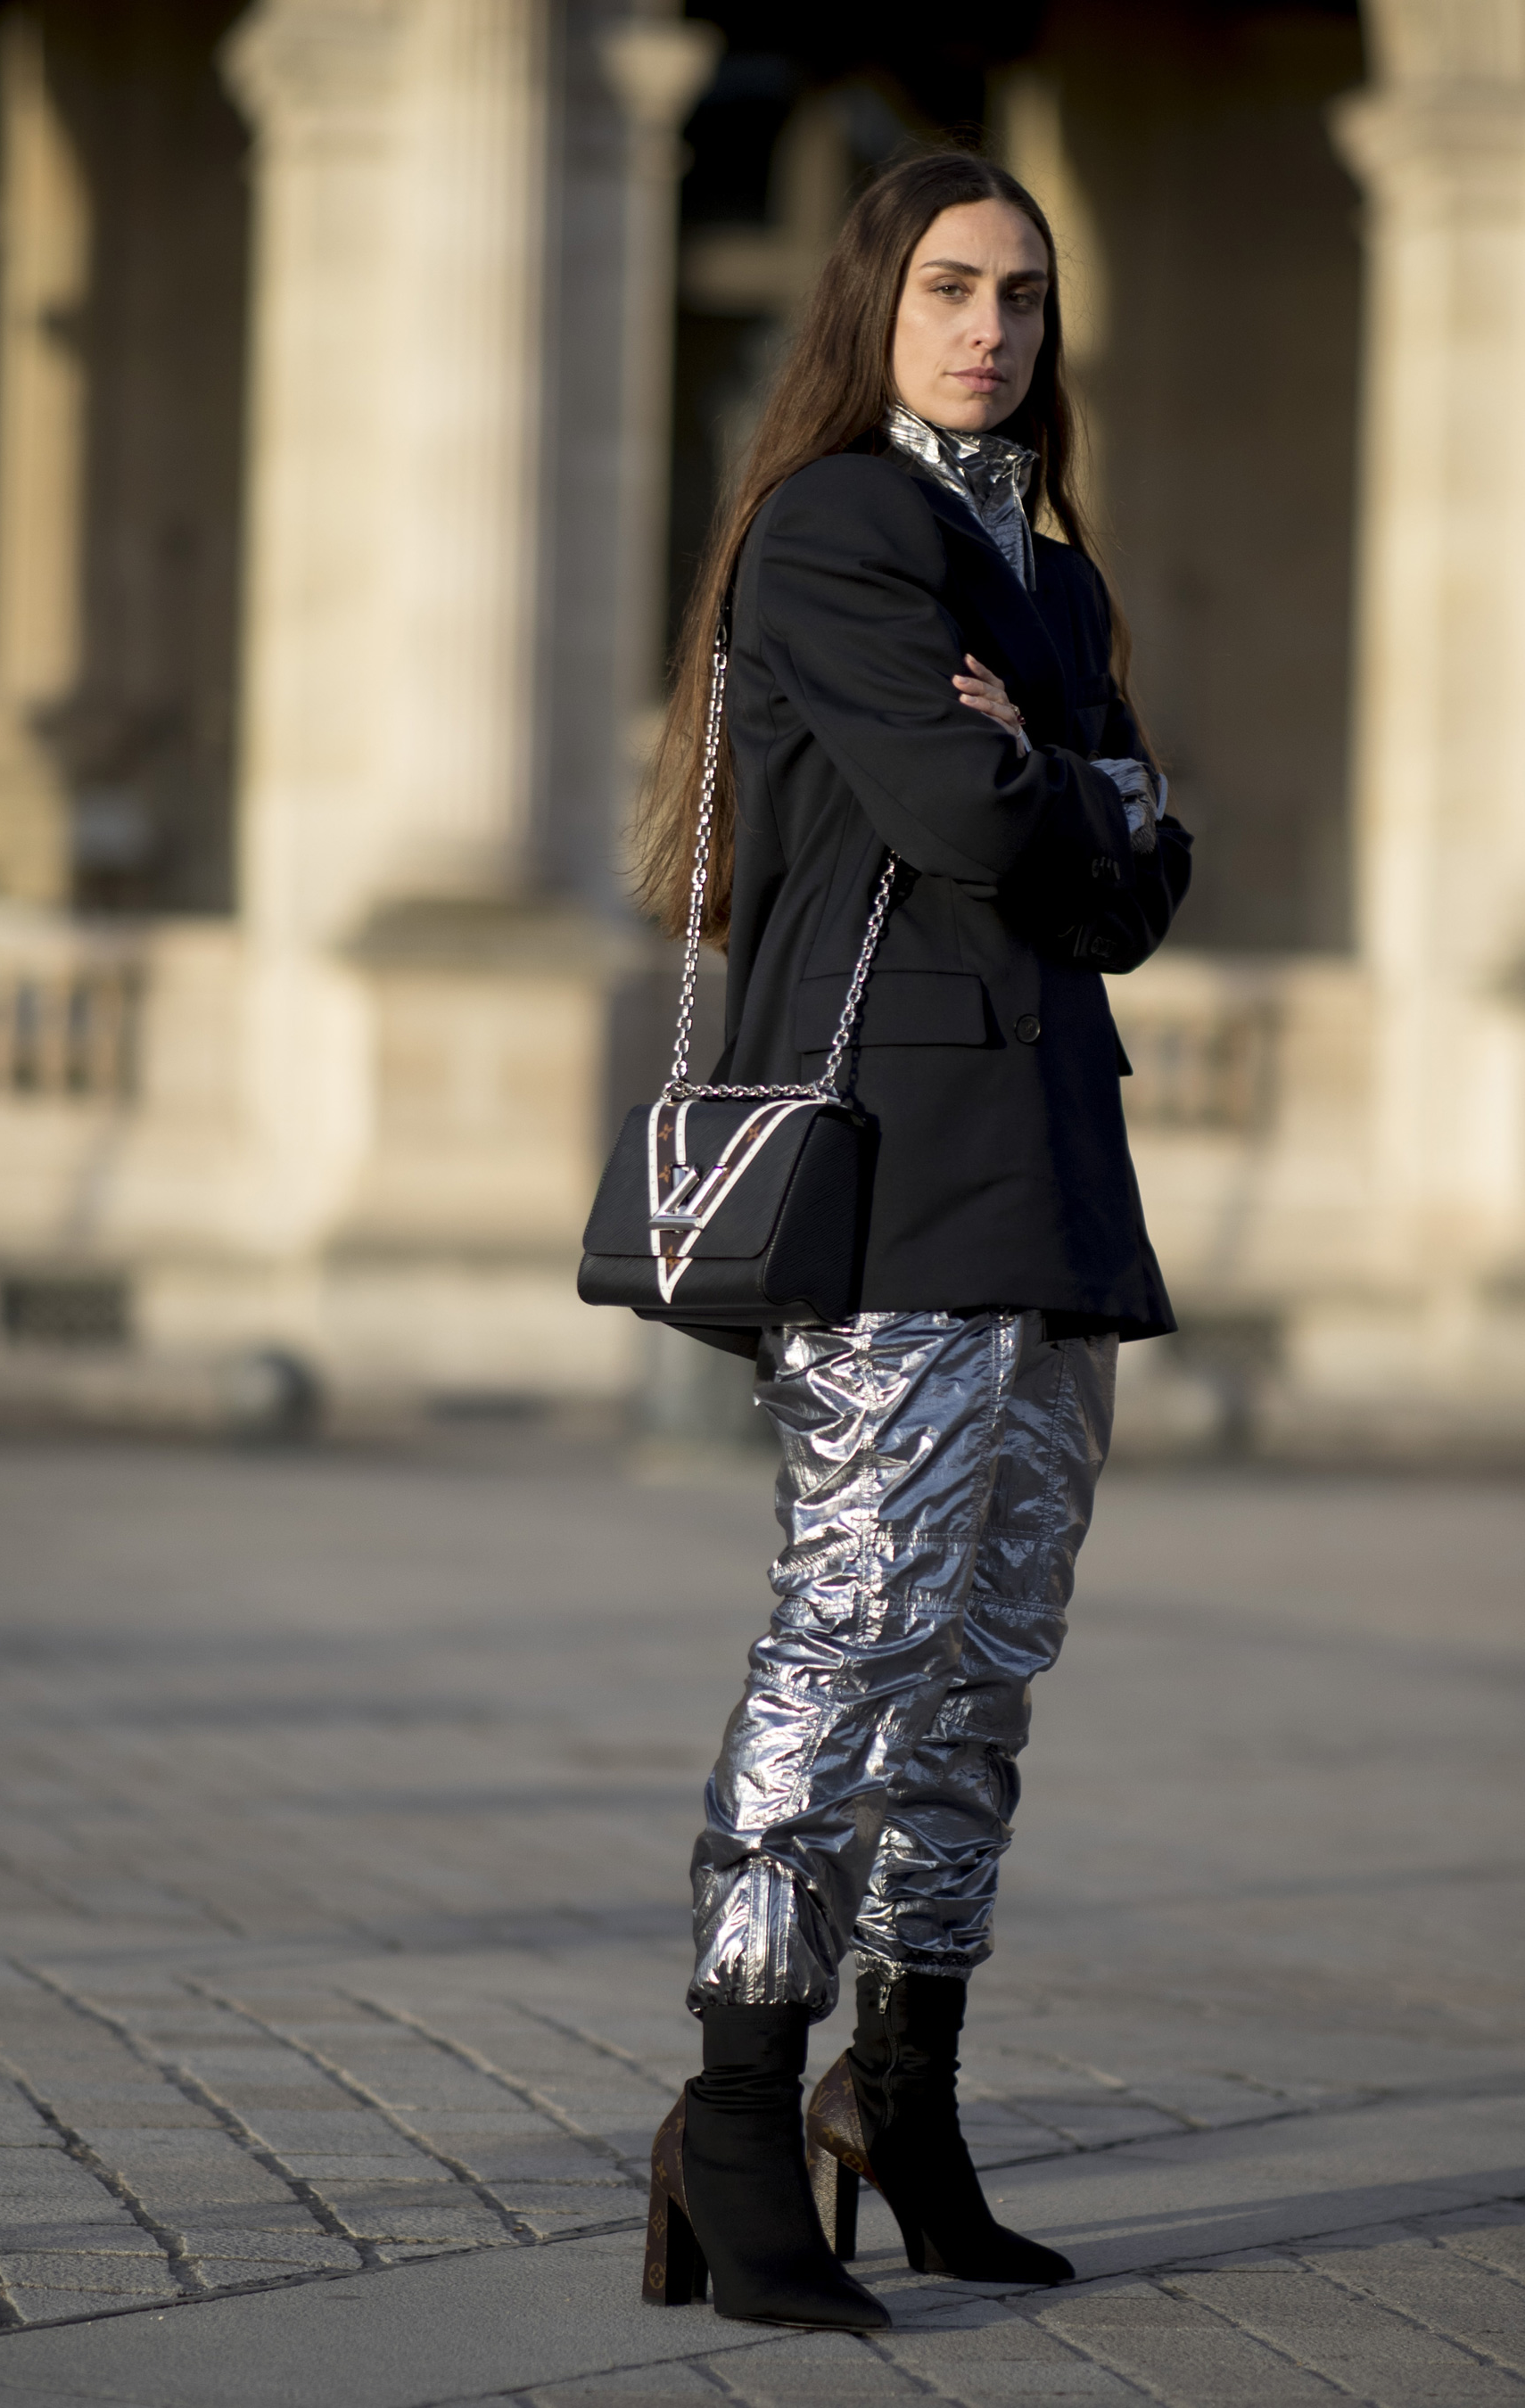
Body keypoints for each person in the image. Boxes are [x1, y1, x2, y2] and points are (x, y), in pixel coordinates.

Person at [632, 150, 1191, 2330]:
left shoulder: (1039, 566)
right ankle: (741, 2116)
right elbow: (989, 824)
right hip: (888, 1169)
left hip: (1051, 1167)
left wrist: (1054, 764)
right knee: (855, 1633)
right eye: (953, 288)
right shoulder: (840, 528)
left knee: (987, 1679)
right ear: (876, 303)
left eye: (1026, 297)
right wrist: (1075, 788)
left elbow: (1146, 886)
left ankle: (914, 2092)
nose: (991, 330)